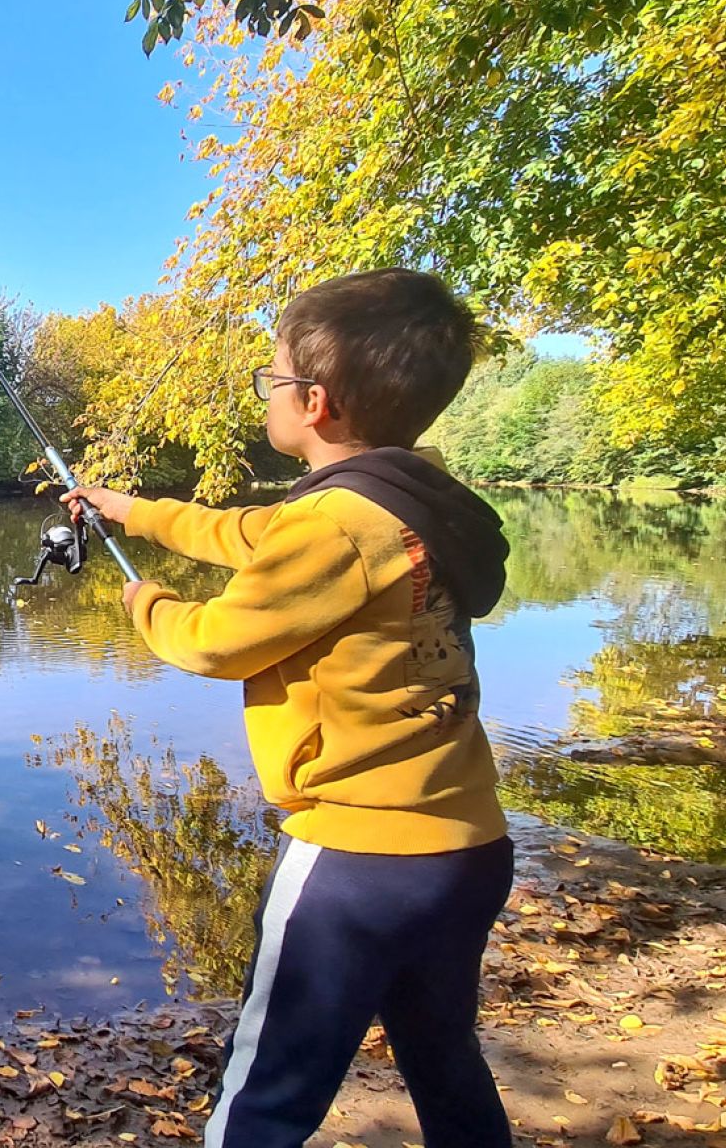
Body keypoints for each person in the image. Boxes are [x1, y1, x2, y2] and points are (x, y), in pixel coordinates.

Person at [62, 268, 514, 1148]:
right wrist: (130, 510)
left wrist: (143, 603)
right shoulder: (402, 500)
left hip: (358, 859)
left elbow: (212, 643)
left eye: (269, 380)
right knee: (440, 1052)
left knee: (267, 1086)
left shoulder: (332, 525)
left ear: (311, 402)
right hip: (465, 846)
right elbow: (243, 534)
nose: (264, 394)